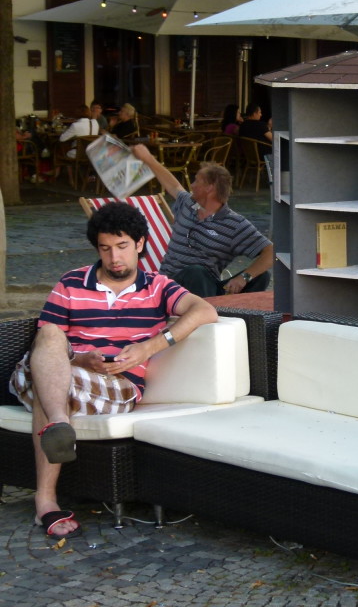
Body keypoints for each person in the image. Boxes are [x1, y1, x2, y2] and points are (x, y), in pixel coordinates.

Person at [7, 201, 217, 539]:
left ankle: (46, 497)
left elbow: (205, 310)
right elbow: (46, 344)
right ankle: (59, 424)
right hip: (67, 372)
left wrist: (148, 347)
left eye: (122, 247)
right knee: (49, 335)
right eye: (105, 249)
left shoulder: (157, 287)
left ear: (139, 244)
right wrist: (77, 359)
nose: (114, 257)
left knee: (45, 382)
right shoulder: (71, 282)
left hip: (117, 383)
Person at [131, 143, 274, 297]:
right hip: (171, 286)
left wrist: (244, 277)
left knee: (260, 275)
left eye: (196, 181)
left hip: (206, 289)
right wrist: (148, 159)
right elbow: (173, 185)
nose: (191, 185)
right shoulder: (188, 204)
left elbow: (272, 252)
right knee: (196, 271)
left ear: (209, 188)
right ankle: (211, 313)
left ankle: (230, 312)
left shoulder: (234, 224)